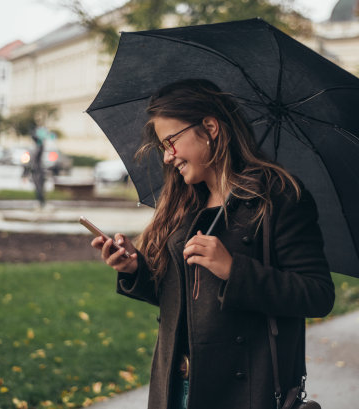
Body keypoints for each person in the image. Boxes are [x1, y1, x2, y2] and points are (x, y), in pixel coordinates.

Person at [91, 79, 335, 409]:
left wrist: (235, 270)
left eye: (171, 142)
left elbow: (317, 294)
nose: (167, 157)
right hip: (176, 389)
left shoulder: (277, 196)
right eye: (163, 147)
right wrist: (136, 269)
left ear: (209, 127)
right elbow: (185, 299)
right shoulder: (186, 203)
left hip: (242, 394)